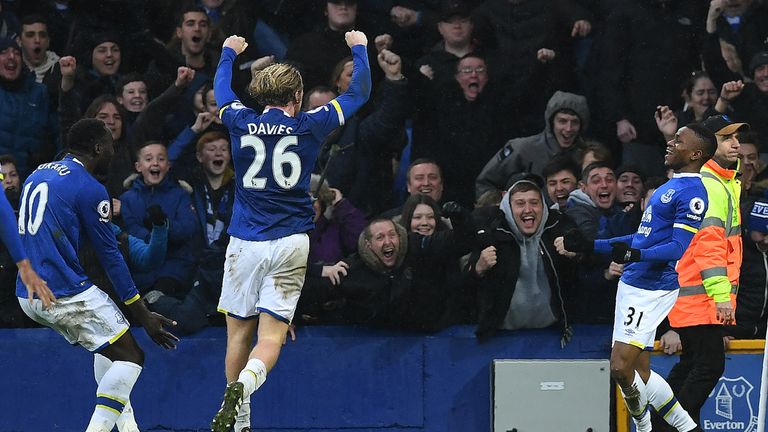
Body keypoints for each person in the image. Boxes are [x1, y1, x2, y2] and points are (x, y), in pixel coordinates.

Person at [209, 30, 371, 432]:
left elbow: (220, 89)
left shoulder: (237, 120)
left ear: (260, 96)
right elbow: (359, 94)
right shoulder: (310, 125)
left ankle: (237, 416)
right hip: (291, 243)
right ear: (296, 98)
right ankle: (245, 391)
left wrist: (229, 52)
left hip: (244, 242)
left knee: (237, 336)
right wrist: (359, 47)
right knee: (271, 338)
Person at [15, 118, 178, 432]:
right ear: (98, 147)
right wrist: (143, 315)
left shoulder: (39, 172)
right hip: (63, 292)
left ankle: (129, 429)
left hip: (27, 293)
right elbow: (112, 258)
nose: (113, 153)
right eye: (111, 147)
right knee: (132, 357)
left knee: (109, 346)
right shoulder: (91, 188)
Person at [557, 122, 717, 432]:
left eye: (679, 141)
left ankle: (643, 427)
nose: (670, 143)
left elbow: (678, 247)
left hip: (653, 287)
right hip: (633, 282)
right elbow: (641, 238)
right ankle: (687, 428)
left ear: (695, 153)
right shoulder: (672, 185)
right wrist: (592, 246)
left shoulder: (694, 193)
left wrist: (636, 256)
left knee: (619, 367)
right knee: (641, 373)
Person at [659, 115, 749, 430]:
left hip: (694, 294)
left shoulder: (719, 181)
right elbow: (708, 246)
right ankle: (670, 427)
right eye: (726, 139)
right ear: (706, 147)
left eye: (737, 137)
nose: (735, 144)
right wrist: (722, 296)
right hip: (704, 296)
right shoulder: (711, 185)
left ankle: (663, 424)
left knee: (690, 365)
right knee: (708, 366)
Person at [469, 178, 576, 342]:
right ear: (508, 209)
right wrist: (477, 269)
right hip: (498, 339)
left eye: (534, 203)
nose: (528, 210)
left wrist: (577, 255)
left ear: (543, 206)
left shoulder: (558, 229)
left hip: (552, 337)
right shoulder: (491, 236)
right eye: (520, 203)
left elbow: (587, 270)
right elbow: (462, 290)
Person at [475, 90, 589, 198]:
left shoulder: (588, 155)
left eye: (574, 122)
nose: (568, 128)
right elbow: (485, 183)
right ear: (551, 122)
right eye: (562, 121)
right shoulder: (522, 149)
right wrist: (501, 211)